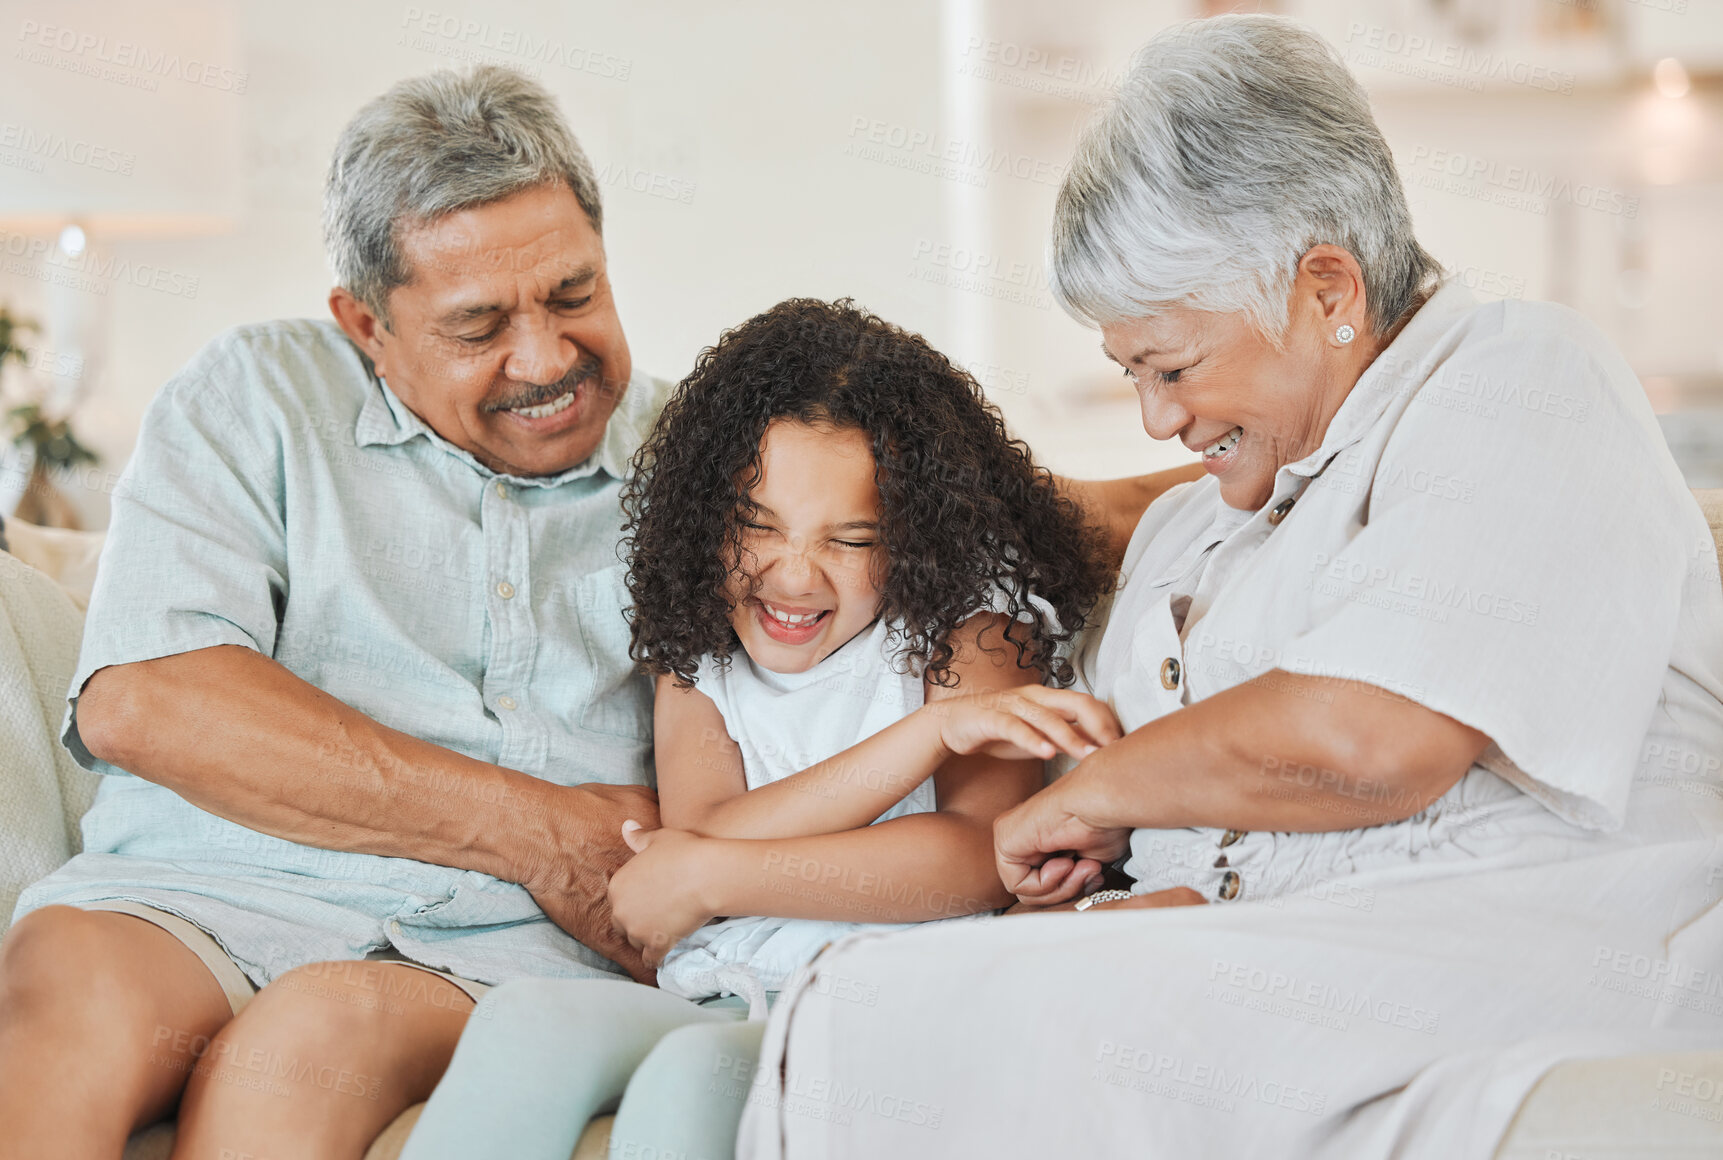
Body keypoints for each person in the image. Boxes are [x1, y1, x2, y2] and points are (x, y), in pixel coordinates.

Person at [0, 66, 1193, 1158]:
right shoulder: (254, 395)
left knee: (301, 1048)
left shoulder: (710, 458)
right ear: (367, 324)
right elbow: (148, 703)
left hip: (496, 949)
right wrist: (537, 830)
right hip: (204, 890)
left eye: (573, 292)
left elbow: (984, 500)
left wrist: (1287, 438)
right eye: (477, 325)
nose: (543, 357)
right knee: (66, 1013)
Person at [736, 16, 1723, 1160]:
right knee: (877, 998)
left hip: (1543, 942)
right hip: (1313, 973)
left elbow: (1369, 735)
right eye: (1130, 374)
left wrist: (1089, 795)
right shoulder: (1183, 532)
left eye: (1174, 366)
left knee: (914, 1011)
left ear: (1325, 288)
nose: (1158, 416)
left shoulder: (1521, 378)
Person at [402, 297, 1119, 1159]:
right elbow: (703, 832)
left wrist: (711, 875)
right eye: (755, 525)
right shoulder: (697, 646)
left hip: (882, 990)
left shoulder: (967, 632)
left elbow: (975, 860)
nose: (791, 575)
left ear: (922, 541)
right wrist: (918, 744)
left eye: (850, 539)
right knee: (526, 1021)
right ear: (706, 517)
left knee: (689, 1079)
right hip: (724, 979)